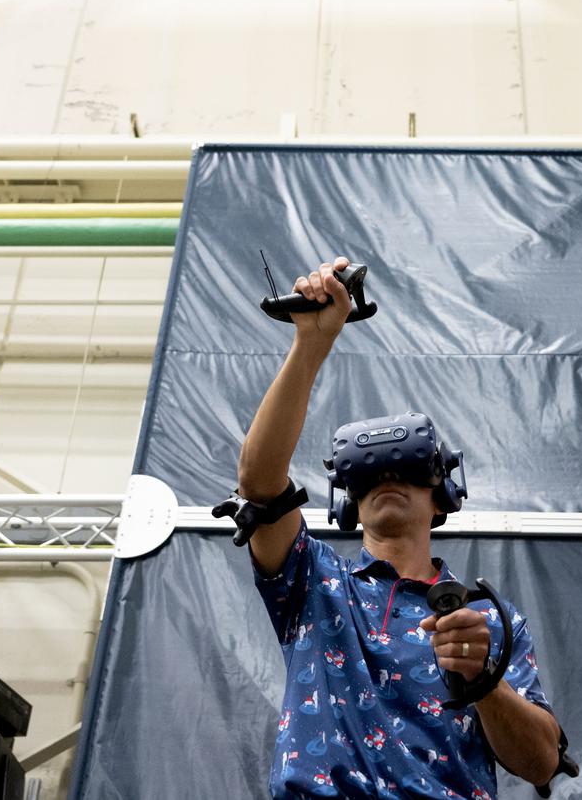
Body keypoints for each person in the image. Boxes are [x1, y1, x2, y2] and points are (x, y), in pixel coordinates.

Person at [236, 256, 563, 799]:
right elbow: (260, 484)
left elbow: (543, 761)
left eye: (409, 466)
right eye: (366, 474)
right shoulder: (315, 585)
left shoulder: (482, 620)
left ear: (442, 499)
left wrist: (483, 680)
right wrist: (311, 344)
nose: (387, 476)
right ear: (349, 502)